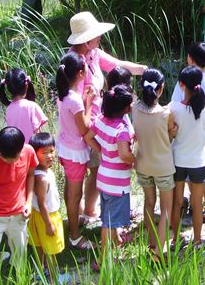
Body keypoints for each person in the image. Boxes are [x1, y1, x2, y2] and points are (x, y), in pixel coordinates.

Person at [66, 12, 146, 222]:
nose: (100, 37)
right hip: (87, 125)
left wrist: (143, 70)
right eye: (96, 34)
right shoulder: (76, 63)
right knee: (91, 169)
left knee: (97, 168)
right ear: (85, 39)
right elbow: (77, 100)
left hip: (100, 121)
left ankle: (91, 210)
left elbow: (117, 64)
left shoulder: (93, 54)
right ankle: (88, 212)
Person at [83, 85, 135, 272]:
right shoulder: (122, 130)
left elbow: (89, 138)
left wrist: (103, 151)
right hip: (117, 183)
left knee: (108, 216)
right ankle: (104, 259)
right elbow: (124, 153)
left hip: (104, 178)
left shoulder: (101, 120)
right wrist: (135, 160)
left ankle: (117, 239)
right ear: (125, 108)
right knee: (108, 222)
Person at [0, 127, 37, 284]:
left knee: (20, 252)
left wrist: (29, 202)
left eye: (14, 157)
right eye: (5, 157)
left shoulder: (29, 151)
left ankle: (19, 277)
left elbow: (31, 175)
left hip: (18, 214)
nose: (11, 161)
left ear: (21, 148)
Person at [170, 42, 205, 224]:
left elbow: (174, 109)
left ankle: (182, 205)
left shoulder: (182, 82)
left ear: (190, 59)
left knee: (183, 177)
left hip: (183, 137)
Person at [132, 68, 177, 261]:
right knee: (166, 207)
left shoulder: (133, 108)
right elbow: (169, 135)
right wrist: (172, 133)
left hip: (142, 164)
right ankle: (159, 253)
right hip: (163, 167)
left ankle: (151, 244)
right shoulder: (167, 113)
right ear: (161, 89)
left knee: (149, 204)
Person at [55, 51, 95, 251]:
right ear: (80, 73)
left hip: (65, 147)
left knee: (70, 191)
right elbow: (84, 127)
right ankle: (74, 236)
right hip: (75, 152)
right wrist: (88, 104)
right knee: (75, 195)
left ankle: (72, 221)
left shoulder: (64, 95)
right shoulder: (75, 100)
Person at [28, 133, 66, 284]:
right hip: (47, 216)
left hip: (37, 215)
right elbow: (43, 203)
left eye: (51, 151)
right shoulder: (41, 178)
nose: (49, 156)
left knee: (40, 246)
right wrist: (49, 224)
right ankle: (54, 277)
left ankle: (40, 270)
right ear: (34, 154)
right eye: (44, 153)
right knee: (51, 249)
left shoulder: (41, 172)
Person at [0, 68, 48, 144]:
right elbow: (38, 133)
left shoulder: (9, 109)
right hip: (30, 151)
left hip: (17, 151)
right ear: (26, 84)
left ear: (8, 88)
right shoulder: (32, 106)